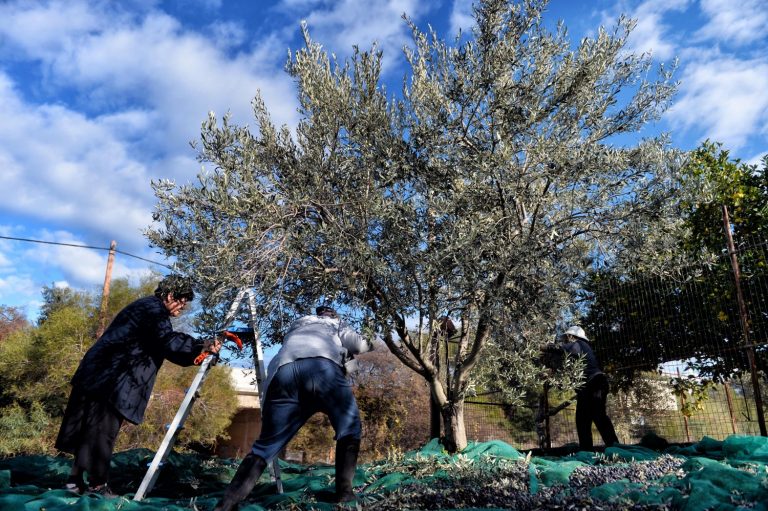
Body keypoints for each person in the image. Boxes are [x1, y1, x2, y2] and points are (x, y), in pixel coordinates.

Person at [55, 275, 221, 496]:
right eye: (181, 302)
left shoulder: (147, 308)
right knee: (102, 432)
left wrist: (198, 350)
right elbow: (168, 341)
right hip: (109, 378)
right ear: (170, 296)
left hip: (99, 374)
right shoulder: (153, 310)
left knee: (90, 429)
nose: (182, 308)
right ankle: (97, 485)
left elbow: (166, 346)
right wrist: (202, 345)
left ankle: (74, 482)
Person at [214, 305, 373, 511]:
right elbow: (361, 346)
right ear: (333, 315)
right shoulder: (335, 323)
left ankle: (226, 505)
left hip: (283, 373)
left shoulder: (298, 326)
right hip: (321, 370)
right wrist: (370, 331)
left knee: (265, 446)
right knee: (350, 428)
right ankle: (344, 494)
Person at [546, 325, 619, 451]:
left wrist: (546, 347)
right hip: (589, 387)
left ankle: (615, 448)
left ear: (572, 337)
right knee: (583, 420)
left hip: (595, 384)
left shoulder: (578, 344)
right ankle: (587, 450)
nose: (565, 340)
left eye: (567, 337)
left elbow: (562, 349)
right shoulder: (580, 349)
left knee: (598, 416)